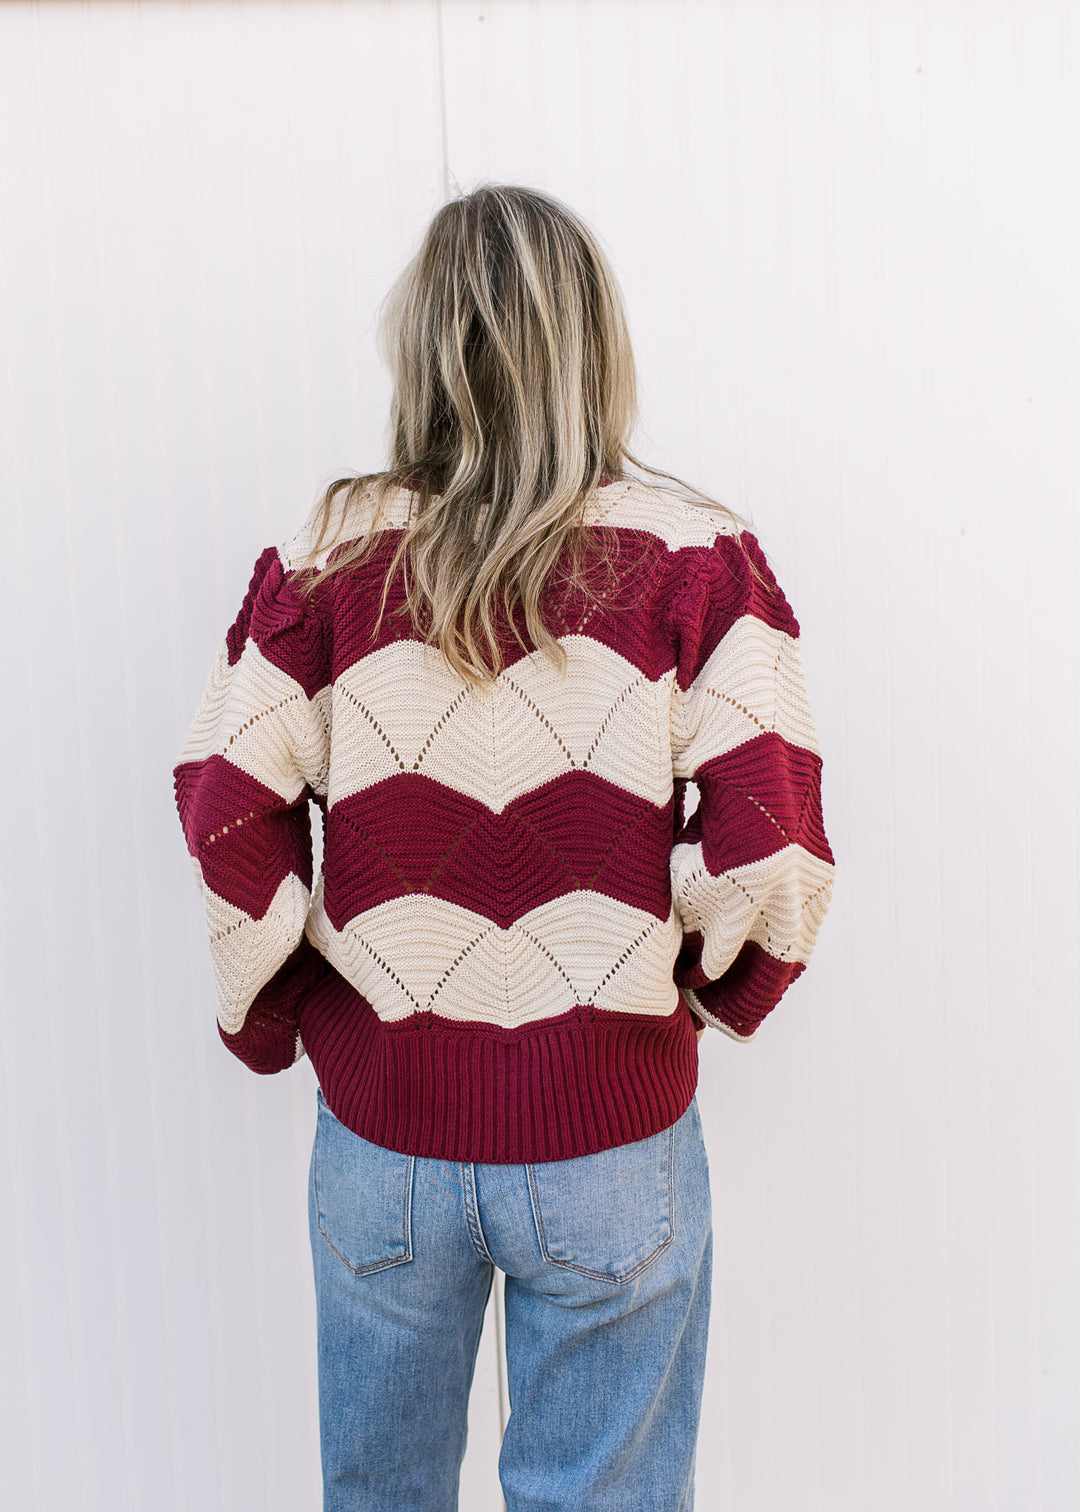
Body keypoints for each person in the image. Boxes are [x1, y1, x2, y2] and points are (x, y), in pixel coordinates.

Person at [173, 182, 835, 1512]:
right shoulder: (698, 559)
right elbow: (777, 847)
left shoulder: (326, 555)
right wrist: (704, 1003)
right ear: (595, 344)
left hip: (383, 1151)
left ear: (420, 346)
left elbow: (226, 808)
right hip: (612, 1147)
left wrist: (290, 1016)